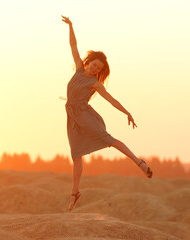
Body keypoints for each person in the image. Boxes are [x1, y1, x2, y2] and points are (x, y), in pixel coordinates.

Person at [61, 15, 153, 212]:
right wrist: (71, 26)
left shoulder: (95, 84)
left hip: (85, 116)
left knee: (108, 139)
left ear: (99, 72)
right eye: (93, 64)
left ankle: (139, 162)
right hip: (73, 119)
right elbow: (73, 46)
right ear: (88, 62)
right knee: (76, 156)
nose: (95, 68)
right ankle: (74, 193)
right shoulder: (78, 70)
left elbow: (111, 100)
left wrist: (126, 112)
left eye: (99, 68)